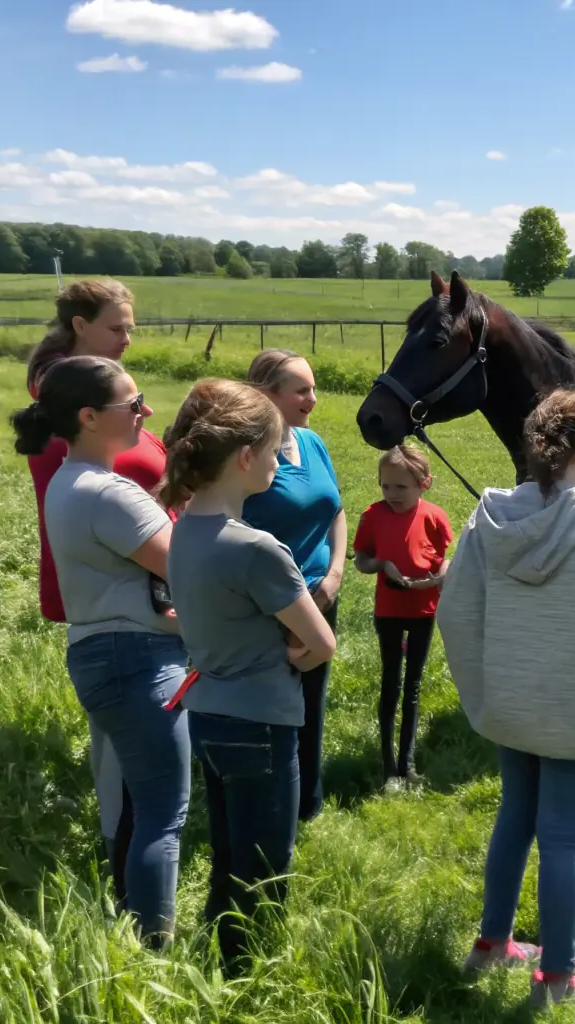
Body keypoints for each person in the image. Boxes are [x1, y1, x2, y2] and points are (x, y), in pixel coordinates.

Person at [436, 388, 575, 1011]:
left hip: (509, 703)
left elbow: (456, 615)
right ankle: (558, 983)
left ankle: (490, 945)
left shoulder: (488, 521)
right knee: (563, 837)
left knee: (515, 817)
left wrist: (484, 689)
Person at [10, 355, 191, 948]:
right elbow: (191, 573)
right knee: (163, 816)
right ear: (90, 416)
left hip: (99, 652)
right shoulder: (111, 494)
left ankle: (133, 932)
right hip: (140, 658)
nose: (147, 412)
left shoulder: (67, 482)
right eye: (133, 404)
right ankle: (155, 952)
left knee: (138, 806)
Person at [160, 378, 337, 970]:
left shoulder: (183, 527)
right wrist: (282, 660)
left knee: (230, 849)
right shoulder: (256, 548)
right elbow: (321, 642)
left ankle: (218, 953)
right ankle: (250, 974)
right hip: (261, 723)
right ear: (244, 457)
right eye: (273, 449)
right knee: (266, 865)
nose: (278, 460)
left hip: (207, 714)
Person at [24, 278, 158, 908]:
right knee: (126, 742)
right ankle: (125, 863)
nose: (128, 338)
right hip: (115, 579)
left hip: (123, 569)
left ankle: (126, 850)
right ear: (80, 326)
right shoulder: (80, 398)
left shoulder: (96, 395)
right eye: (117, 328)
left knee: (125, 736)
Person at [243, 349, 346, 822]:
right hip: (271, 605)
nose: (313, 398)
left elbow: (336, 509)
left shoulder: (312, 442)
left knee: (310, 703)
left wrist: (334, 577)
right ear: (267, 394)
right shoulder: (244, 456)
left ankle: (307, 803)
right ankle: (264, 805)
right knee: (271, 709)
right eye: (302, 389)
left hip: (321, 596)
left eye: (313, 386)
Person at [351, 443, 453, 786]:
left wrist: (441, 575)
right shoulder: (373, 515)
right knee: (390, 683)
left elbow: (442, 557)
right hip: (390, 610)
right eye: (385, 486)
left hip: (423, 609)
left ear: (425, 484)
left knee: (412, 686)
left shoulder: (434, 516)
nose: (391, 494)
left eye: (400, 487)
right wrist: (381, 564)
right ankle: (387, 764)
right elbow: (361, 559)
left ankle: (407, 762)